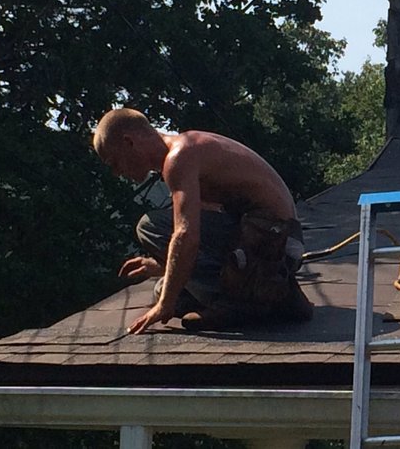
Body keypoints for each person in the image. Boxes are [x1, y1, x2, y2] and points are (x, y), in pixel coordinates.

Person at [93, 108, 313, 334]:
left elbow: (186, 235)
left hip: (278, 242)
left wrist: (164, 306)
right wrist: (160, 267)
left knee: (149, 226)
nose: (117, 173)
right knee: (165, 289)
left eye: (114, 163)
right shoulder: (185, 155)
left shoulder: (180, 157)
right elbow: (209, 237)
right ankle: (271, 294)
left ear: (129, 142)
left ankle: (249, 302)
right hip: (265, 241)